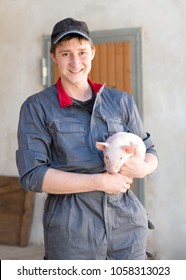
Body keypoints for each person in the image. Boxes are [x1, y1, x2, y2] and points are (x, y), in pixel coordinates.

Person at [16, 17, 158, 260]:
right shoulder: (37, 107)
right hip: (72, 235)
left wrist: (143, 168)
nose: (75, 62)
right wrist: (99, 182)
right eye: (65, 54)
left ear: (92, 52)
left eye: (82, 52)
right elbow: (32, 176)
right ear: (54, 57)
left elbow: (151, 152)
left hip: (127, 231)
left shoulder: (121, 101)